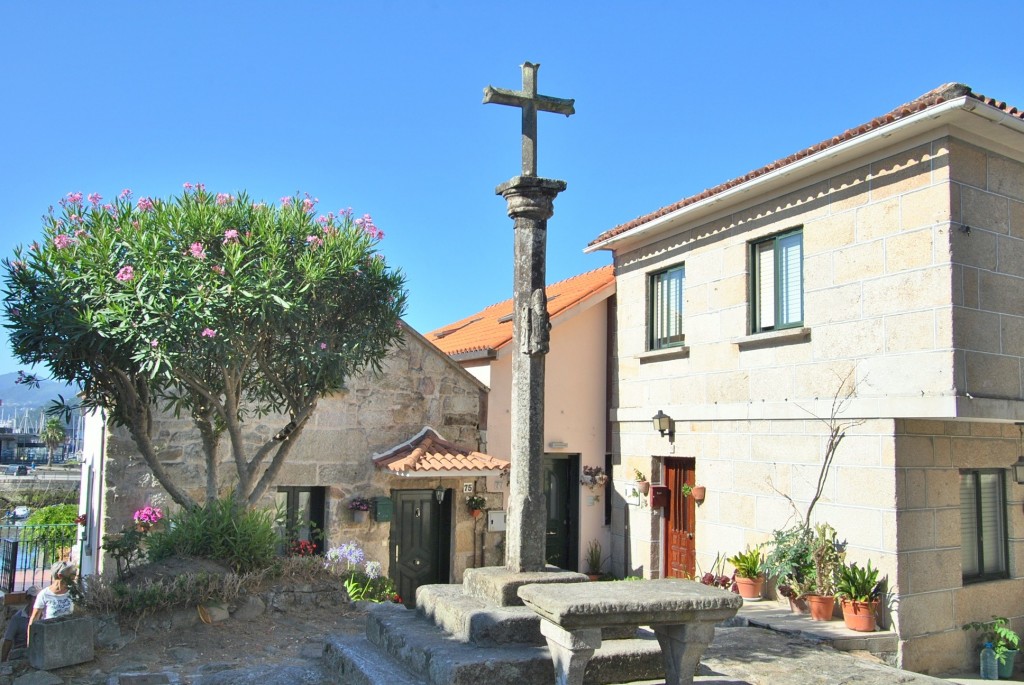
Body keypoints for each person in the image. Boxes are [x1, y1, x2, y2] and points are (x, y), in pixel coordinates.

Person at [28, 561, 77, 641]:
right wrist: (30, 643)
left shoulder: (73, 592)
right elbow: (34, 620)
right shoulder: (44, 594)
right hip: (50, 637)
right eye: (71, 576)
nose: (73, 578)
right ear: (60, 576)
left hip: (69, 636)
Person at [1, 585, 39, 661]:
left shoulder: (46, 615)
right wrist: (3, 662)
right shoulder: (17, 618)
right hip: (20, 654)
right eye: (35, 598)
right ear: (28, 599)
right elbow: (8, 641)